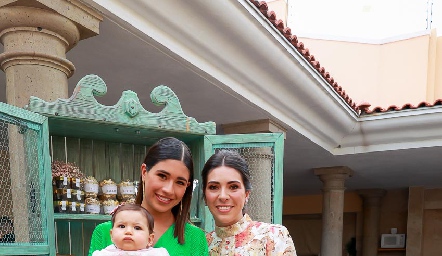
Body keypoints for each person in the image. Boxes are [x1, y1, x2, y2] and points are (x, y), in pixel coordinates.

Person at [89, 137, 209, 256]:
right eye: (162, 176)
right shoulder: (104, 233)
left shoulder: (195, 239)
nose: (168, 190)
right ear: (144, 172)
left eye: (180, 182)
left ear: (187, 187)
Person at [202, 150, 297, 255]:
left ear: (246, 194)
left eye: (233, 187)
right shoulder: (201, 246)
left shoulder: (273, 237)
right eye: (214, 187)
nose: (223, 196)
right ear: (205, 195)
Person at [92, 204, 169, 255]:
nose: (128, 231)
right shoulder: (104, 254)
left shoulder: (157, 254)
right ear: (112, 235)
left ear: (150, 239)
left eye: (137, 228)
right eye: (122, 226)